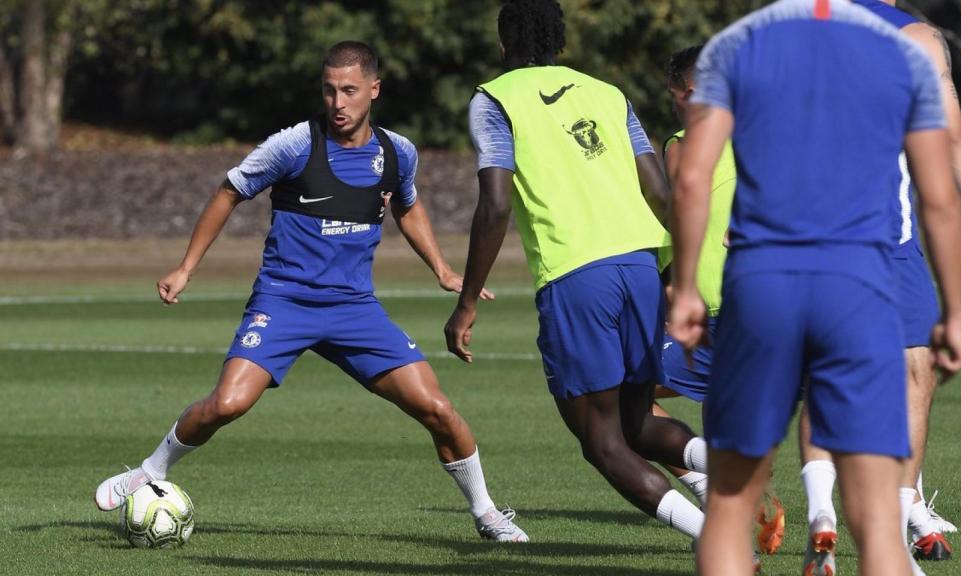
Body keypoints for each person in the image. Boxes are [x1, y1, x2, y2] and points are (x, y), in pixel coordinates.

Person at [94, 41, 528, 543]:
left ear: (374, 90)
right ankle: (150, 471)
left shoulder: (396, 152)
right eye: (328, 90)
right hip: (284, 302)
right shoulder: (295, 145)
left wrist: (443, 269)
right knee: (227, 404)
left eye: (348, 91)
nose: (337, 102)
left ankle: (487, 513)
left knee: (438, 409)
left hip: (353, 309)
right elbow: (228, 191)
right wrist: (186, 267)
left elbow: (407, 207)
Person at [667, 1, 961, 576]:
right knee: (879, 521)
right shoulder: (901, 55)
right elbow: (939, 199)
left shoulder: (740, 45)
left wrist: (684, 287)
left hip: (762, 282)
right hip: (858, 286)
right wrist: (953, 310)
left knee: (730, 506)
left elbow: (691, 180)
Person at [444, 0, 709, 548]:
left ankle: (716, 537)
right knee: (636, 424)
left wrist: (467, 301)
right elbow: (659, 192)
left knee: (602, 442)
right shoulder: (609, 94)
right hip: (641, 265)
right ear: (559, 42)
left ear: (503, 45)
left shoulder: (494, 99)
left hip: (575, 273)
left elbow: (494, 205)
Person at [796, 1, 961, 572]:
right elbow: (954, 137)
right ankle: (865, 527)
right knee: (912, 371)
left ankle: (835, 521)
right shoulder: (916, 37)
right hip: (879, 239)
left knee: (855, 372)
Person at [658, 44, 786, 558]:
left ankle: (721, 501)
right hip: (765, 299)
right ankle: (740, 513)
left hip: (713, 303)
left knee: (629, 401)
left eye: (675, 96)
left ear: (689, 92)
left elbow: (679, 211)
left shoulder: (684, 143)